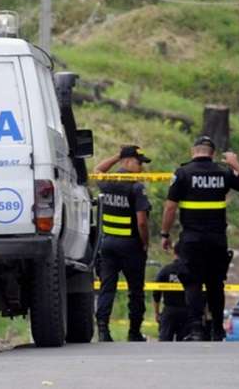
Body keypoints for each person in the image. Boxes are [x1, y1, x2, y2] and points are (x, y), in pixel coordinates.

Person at [160, 135, 239, 341]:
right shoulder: (224, 172)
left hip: (192, 240)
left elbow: (170, 207)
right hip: (217, 240)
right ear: (212, 153)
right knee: (215, 284)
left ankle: (195, 329)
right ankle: (218, 329)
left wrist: (165, 234)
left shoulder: (182, 173)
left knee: (192, 283)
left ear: (193, 151)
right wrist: (235, 164)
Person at [94, 145, 152, 342]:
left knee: (106, 288)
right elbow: (142, 221)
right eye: (138, 163)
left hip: (108, 245)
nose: (141, 168)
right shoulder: (136, 187)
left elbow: (97, 171)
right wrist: (145, 243)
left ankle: (103, 331)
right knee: (135, 291)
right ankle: (134, 332)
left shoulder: (108, 181)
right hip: (131, 246)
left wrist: (116, 155)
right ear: (127, 162)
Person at [153, 244, 189, 341]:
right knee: (185, 345)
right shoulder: (191, 270)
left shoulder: (166, 270)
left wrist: (156, 313)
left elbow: (156, 292)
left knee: (164, 343)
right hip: (187, 312)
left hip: (169, 311)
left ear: (174, 253)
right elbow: (200, 293)